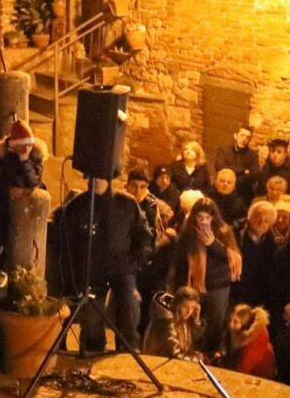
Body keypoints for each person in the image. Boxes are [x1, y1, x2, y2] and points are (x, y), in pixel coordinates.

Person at [51, 165, 152, 352]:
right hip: (91, 271)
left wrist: (136, 262)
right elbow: (65, 240)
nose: (94, 181)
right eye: (91, 177)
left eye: (99, 177)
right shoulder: (77, 207)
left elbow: (143, 235)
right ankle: (94, 351)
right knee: (91, 319)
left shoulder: (127, 204)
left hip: (121, 269)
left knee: (130, 304)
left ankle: (128, 349)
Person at [168, 199, 241, 356]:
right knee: (192, 319)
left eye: (207, 217)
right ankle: (190, 350)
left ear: (214, 217)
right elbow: (179, 262)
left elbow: (231, 257)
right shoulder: (188, 233)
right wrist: (179, 288)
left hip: (217, 286)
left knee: (215, 322)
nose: (203, 221)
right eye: (200, 217)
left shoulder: (223, 231)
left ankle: (210, 353)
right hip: (193, 285)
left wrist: (212, 244)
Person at [213, 124, 259, 193]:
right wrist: (242, 171)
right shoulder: (224, 150)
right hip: (223, 187)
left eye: (247, 137)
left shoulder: (253, 155)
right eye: (242, 135)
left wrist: (233, 182)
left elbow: (253, 175)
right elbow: (219, 167)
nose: (244, 139)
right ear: (236, 136)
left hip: (242, 191)